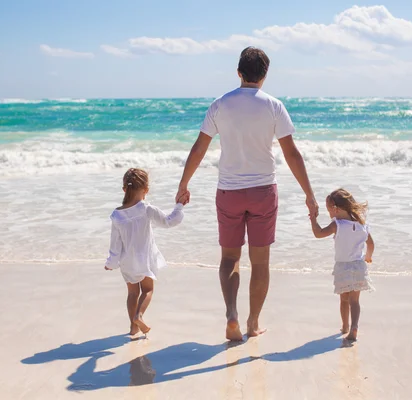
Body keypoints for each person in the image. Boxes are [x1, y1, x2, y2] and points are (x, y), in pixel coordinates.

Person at [175, 47, 318, 341]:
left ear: (238, 73)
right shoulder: (274, 106)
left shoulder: (220, 105)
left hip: (229, 191)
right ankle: (253, 323)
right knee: (261, 262)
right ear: (264, 75)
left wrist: (183, 184)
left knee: (229, 258)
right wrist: (309, 194)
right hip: (263, 191)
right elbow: (291, 153)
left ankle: (231, 314)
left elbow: (199, 148)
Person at [105, 168, 187, 335]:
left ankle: (133, 328)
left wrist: (111, 263)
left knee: (132, 293)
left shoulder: (116, 215)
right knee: (148, 290)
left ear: (124, 189)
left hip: (126, 261)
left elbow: (115, 243)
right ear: (146, 190)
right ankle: (139, 316)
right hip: (145, 258)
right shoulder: (146, 208)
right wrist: (179, 206)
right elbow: (168, 221)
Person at [309, 188, 375, 342]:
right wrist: (368, 257)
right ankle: (354, 327)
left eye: (328, 210)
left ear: (335, 209)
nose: (329, 214)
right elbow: (371, 244)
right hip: (359, 266)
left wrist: (313, 219)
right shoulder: (362, 224)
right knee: (355, 301)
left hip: (343, 267)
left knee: (344, 300)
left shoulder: (337, 225)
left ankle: (345, 326)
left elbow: (318, 233)